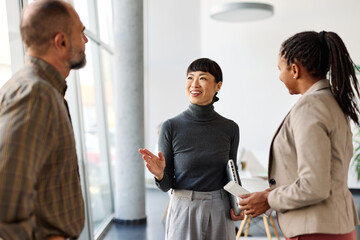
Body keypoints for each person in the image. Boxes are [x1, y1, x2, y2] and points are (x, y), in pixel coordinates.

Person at [239, 31, 360, 240]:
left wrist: (269, 199)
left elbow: (314, 185)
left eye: (279, 69)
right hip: (334, 226)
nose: (279, 76)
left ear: (294, 69)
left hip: (315, 231)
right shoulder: (332, 101)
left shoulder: (310, 107)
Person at [0, 0, 88, 239]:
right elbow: (5, 198)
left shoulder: (40, 89)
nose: (86, 41)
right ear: (61, 42)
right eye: (81, 32)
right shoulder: (36, 95)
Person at [139, 58, 243, 240]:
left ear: (218, 85)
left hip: (220, 209)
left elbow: (232, 175)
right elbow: (166, 186)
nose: (194, 84)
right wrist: (160, 175)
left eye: (202, 78)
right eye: (190, 77)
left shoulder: (230, 128)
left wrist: (237, 205)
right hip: (183, 207)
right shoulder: (170, 127)